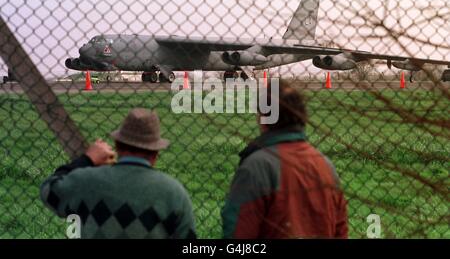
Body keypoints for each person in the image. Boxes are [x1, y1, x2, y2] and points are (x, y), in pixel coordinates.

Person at [40, 108, 196, 239]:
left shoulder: (86, 181)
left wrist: (87, 159)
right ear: (155, 153)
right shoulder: (173, 192)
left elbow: (48, 190)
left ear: (117, 145)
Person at [221, 80, 348, 238]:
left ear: (263, 117)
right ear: (302, 115)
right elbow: (340, 230)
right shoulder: (325, 165)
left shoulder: (257, 167)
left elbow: (239, 232)